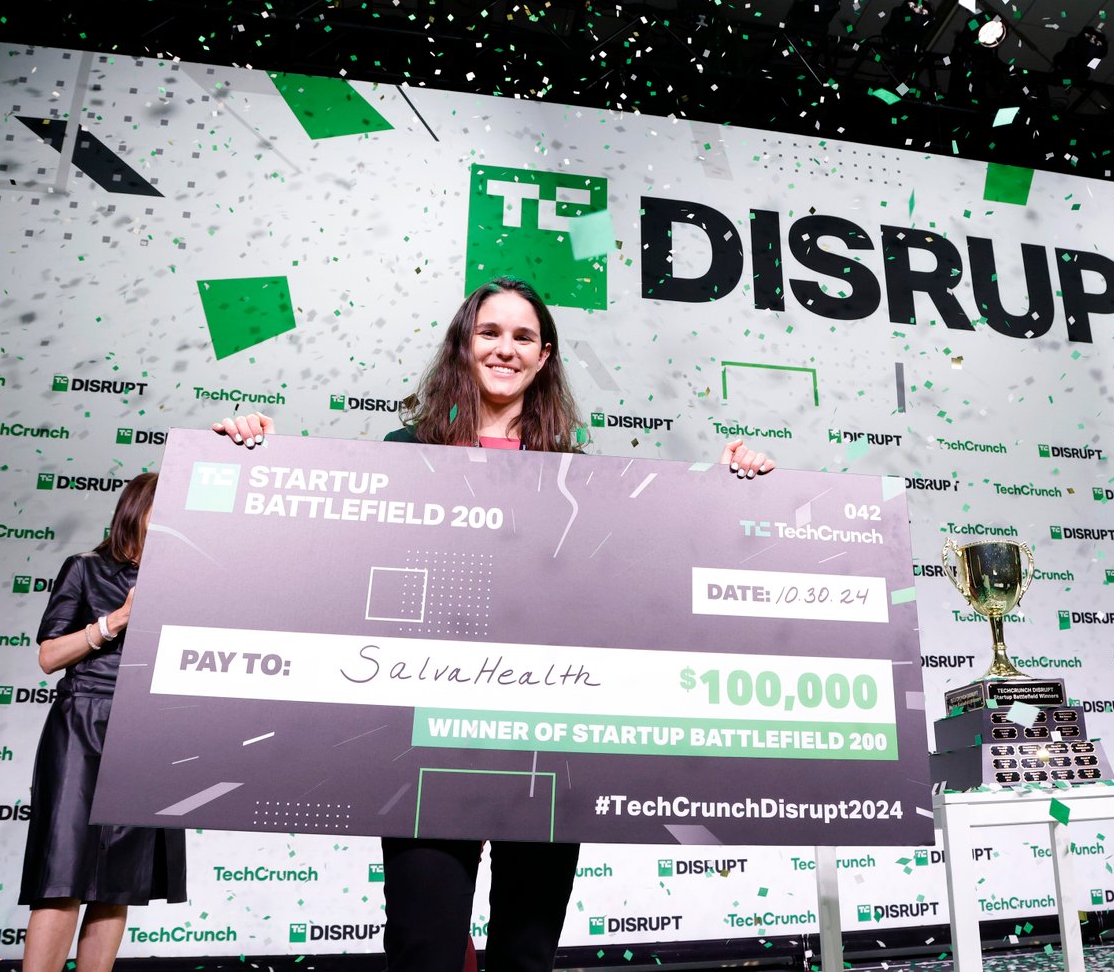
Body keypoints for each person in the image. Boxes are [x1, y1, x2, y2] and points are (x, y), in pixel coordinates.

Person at [213, 276, 774, 972]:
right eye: (489, 332)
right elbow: (329, 556)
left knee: (526, 954)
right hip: (422, 742)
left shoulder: (577, 476)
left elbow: (645, 571)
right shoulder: (402, 451)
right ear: (464, 344)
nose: (504, 347)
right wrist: (252, 458)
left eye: (522, 336)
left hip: (547, 745)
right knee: (424, 948)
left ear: (544, 358)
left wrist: (727, 485)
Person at [19, 472, 186, 972]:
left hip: (147, 732)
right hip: (82, 727)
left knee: (118, 881)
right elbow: (49, 657)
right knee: (62, 875)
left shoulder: (187, 578)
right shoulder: (86, 569)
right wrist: (115, 621)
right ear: (137, 510)